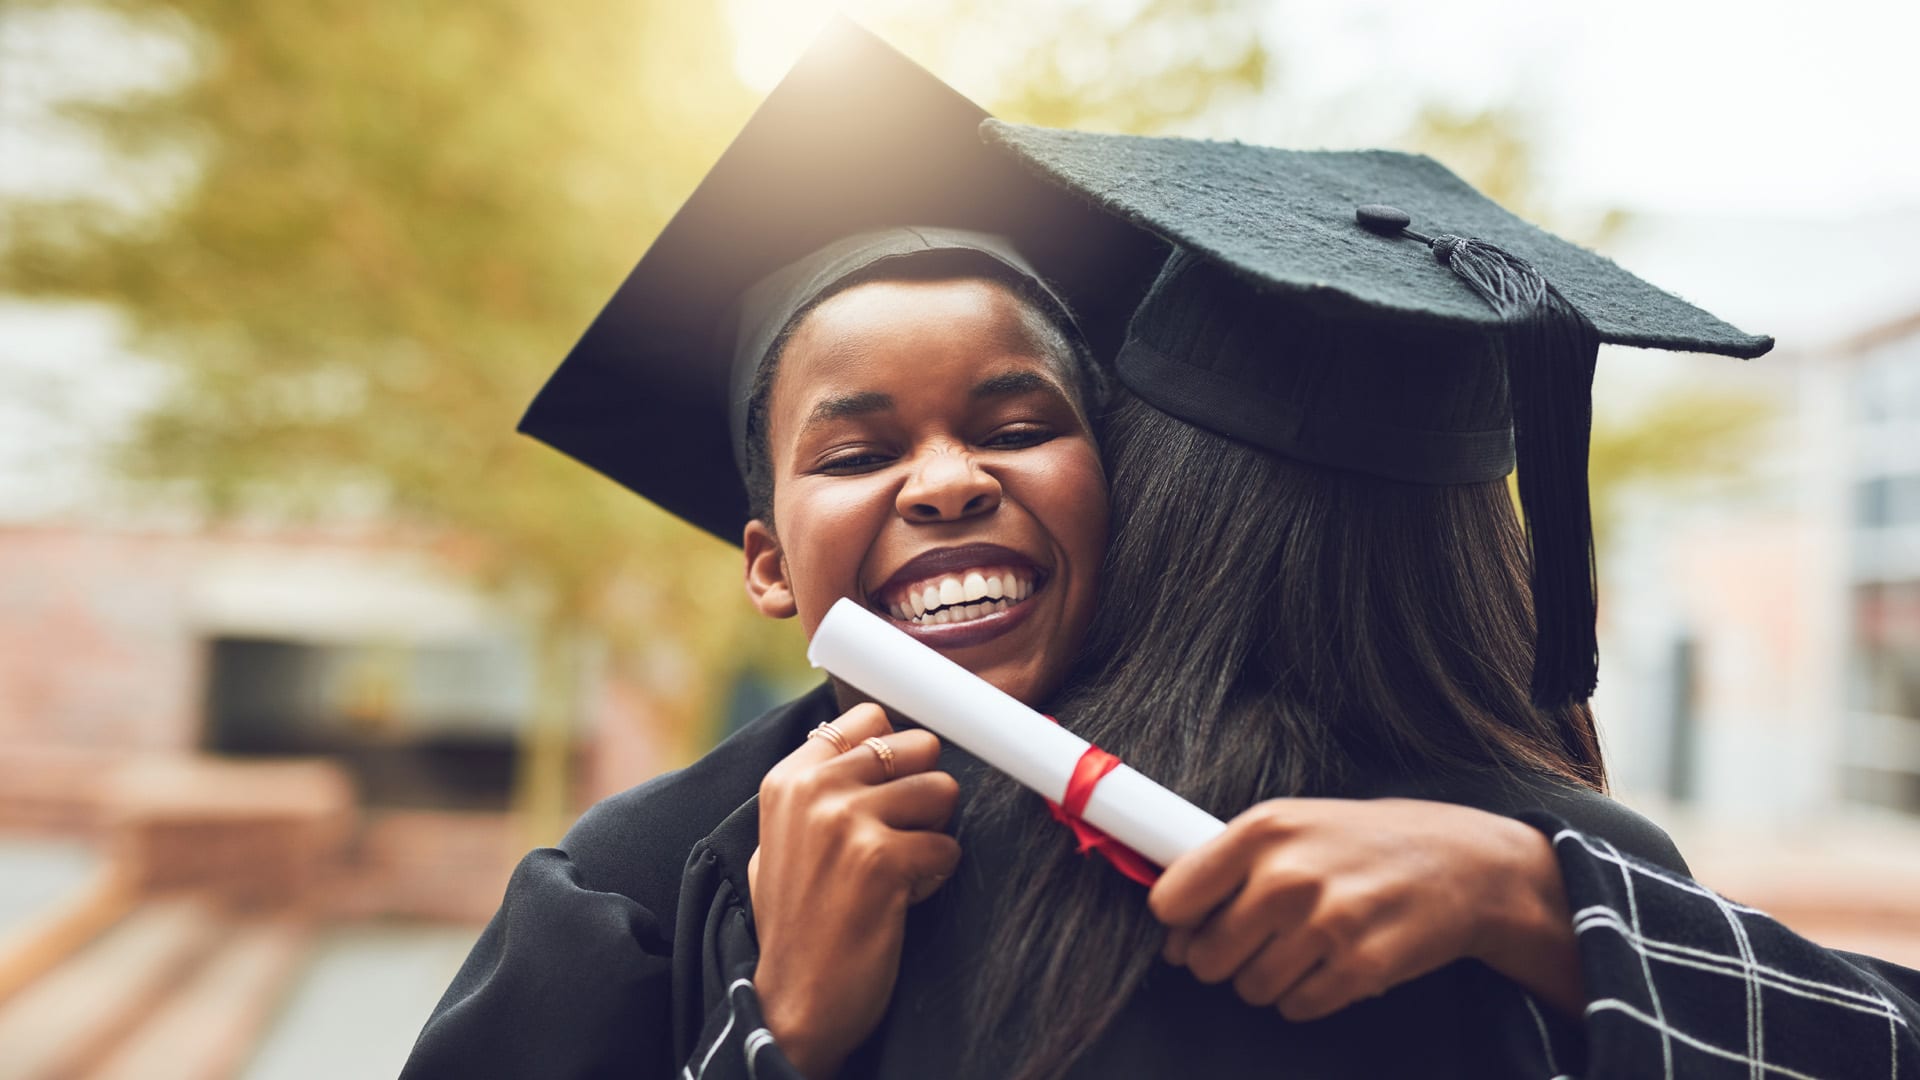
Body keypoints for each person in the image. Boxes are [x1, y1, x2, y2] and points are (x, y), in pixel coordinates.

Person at [401, 21, 1162, 1080]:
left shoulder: (1274, 817)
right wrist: (781, 1025)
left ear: (1113, 492)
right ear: (766, 565)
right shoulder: (628, 892)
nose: (948, 483)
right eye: (857, 454)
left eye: (1018, 430)